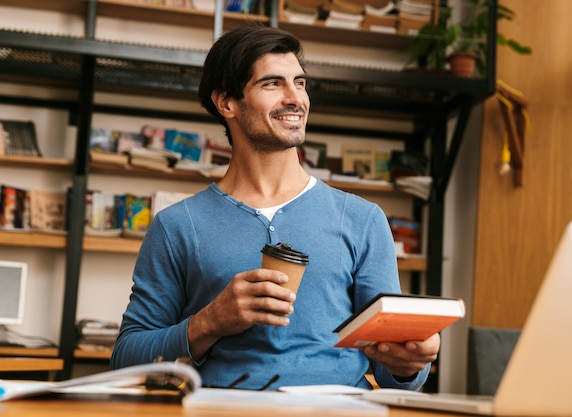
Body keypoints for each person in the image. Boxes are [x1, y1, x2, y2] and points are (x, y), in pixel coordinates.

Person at [111, 24, 440, 391]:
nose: (295, 98)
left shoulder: (363, 219)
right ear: (227, 103)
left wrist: (409, 365)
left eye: (299, 83)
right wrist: (209, 321)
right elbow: (126, 356)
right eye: (272, 83)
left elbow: (395, 375)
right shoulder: (177, 226)